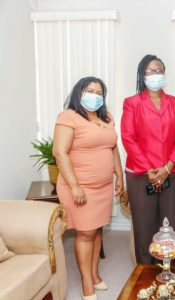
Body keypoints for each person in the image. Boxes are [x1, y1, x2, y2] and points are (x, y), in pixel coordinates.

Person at [53, 77, 124, 300]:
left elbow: (113, 148)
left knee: (97, 229)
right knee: (85, 233)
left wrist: (119, 174)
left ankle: (94, 275)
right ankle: (86, 283)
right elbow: (59, 153)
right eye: (89, 90)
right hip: (79, 187)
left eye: (99, 92)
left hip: (103, 187)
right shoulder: (68, 117)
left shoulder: (107, 117)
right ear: (79, 93)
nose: (95, 95)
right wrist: (75, 186)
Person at [121, 54, 175, 265]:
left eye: (159, 70)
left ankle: (171, 278)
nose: (155, 74)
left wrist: (167, 168)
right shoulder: (132, 103)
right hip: (141, 176)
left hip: (171, 175)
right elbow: (128, 138)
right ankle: (144, 279)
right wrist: (150, 169)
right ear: (143, 75)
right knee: (144, 230)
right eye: (151, 71)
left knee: (170, 232)